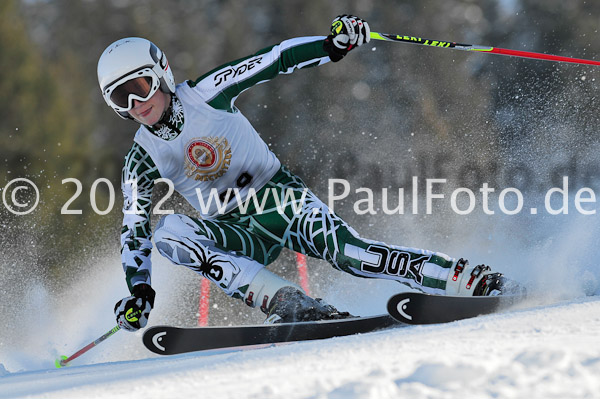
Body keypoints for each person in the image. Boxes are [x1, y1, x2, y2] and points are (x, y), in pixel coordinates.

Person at [97, 15, 512, 332]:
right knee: (169, 232)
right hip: (235, 231)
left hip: (279, 199)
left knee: (353, 255)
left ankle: (463, 279)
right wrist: (140, 291)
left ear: (162, 73)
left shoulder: (206, 93)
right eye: (121, 97)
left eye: (142, 85)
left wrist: (333, 45)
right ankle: (288, 303)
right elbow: (133, 229)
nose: (136, 102)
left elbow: (274, 59)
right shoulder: (141, 157)